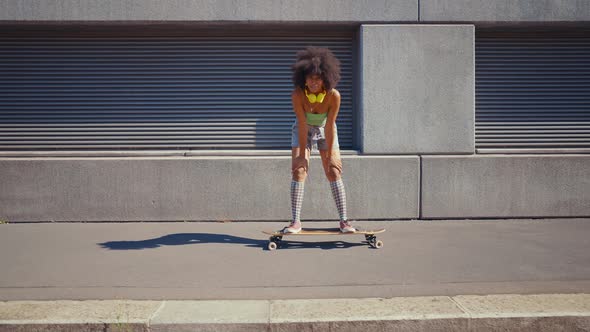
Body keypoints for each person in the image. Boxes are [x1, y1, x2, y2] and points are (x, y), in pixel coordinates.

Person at [284, 46, 355, 234]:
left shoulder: (333, 96)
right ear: (303, 79)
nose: (314, 82)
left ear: (325, 78)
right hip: (303, 128)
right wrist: (301, 154)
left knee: (333, 170)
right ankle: (295, 222)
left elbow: (330, 126)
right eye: (310, 78)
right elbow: (301, 123)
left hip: (326, 129)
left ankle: (344, 221)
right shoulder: (298, 94)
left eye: (318, 78)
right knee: (299, 170)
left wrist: (331, 154)